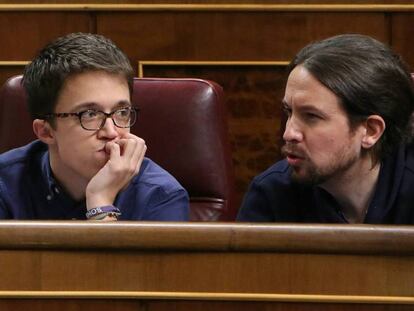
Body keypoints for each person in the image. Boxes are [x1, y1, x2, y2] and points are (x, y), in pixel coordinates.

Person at [0, 32, 189, 221]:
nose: (111, 132)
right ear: (46, 131)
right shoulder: (5, 185)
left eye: (121, 112)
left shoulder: (161, 196)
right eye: (89, 114)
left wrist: (100, 200)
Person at [237, 34, 414, 224]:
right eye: (289, 112)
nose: (288, 133)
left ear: (371, 131)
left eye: (311, 116)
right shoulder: (270, 194)